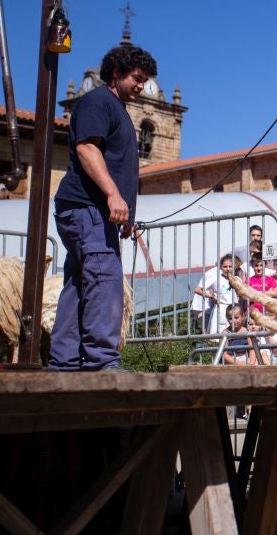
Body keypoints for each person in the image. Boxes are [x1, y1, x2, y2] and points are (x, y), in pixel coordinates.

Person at [48, 44, 157, 371]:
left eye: (145, 80)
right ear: (116, 73)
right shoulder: (98, 102)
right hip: (87, 207)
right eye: (137, 78)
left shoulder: (116, 108)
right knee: (104, 278)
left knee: (79, 283)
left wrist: (123, 213)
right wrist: (113, 195)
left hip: (92, 213)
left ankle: (64, 362)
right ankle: (100, 361)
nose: (141, 86)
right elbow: (86, 149)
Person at [195, 254, 245, 335]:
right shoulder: (215, 278)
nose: (228, 269)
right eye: (225, 266)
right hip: (221, 308)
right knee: (218, 334)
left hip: (234, 309)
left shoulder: (237, 279)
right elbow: (198, 289)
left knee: (234, 334)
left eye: (230, 266)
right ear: (221, 267)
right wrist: (211, 296)